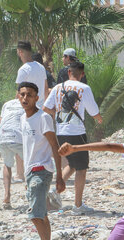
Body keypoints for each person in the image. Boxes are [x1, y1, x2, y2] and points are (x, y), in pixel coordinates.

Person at [43, 61, 103, 214]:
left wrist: (57, 114)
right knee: (82, 168)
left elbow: (45, 108)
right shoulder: (84, 88)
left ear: (69, 72)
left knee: (72, 163)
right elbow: (94, 112)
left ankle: (55, 190)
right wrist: (100, 119)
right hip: (77, 133)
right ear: (82, 74)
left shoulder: (57, 87)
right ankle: (77, 206)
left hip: (61, 132)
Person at [18, 82, 65, 240]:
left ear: (37, 98)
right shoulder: (23, 119)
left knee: (35, 216)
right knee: (42, 216)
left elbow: (55, 146)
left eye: (29, 95)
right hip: (31, 172)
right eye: (22, 94)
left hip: (42, 170)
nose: (25, 98)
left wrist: (59, 176)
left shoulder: (43, 118)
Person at [0, 93, 26, 207]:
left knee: (7, 165)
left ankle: (6, 197)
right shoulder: (27, 104)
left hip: (2, 135)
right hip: (17, 136)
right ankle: (31, 192)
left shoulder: (6, 104)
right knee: (31, 164)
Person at [15, 40, 48, 108]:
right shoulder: (41, 67)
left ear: (20, 52)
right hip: (41, 107)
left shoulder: (23, 70)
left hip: (29, 108)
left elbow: (20, 92)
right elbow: (46, 88)